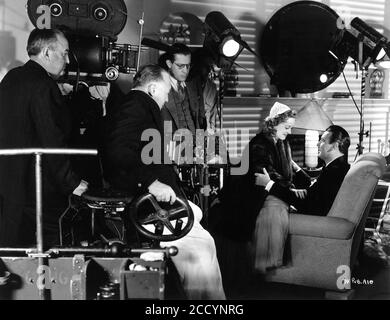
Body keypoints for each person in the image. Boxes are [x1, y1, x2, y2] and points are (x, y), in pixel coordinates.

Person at [100, 64, 225, 300]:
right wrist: (150, 183)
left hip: (164, 206)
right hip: (154, 208)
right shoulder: (136, 106)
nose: (167, 98)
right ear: (153, 87)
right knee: (199, 252)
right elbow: (117, 151)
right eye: (166, 91)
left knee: (204, 245)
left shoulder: (137, 106)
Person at [0, 28, 88, 247]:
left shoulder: (12, 77)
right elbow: (52, 140)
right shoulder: (44, 86)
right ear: (48, 52)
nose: (67, 60)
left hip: (9, 187)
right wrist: (72, 183)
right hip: (38, 192)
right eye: (64, 53)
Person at [246, 102, 311, 273]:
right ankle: (267, 264)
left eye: (291, 128)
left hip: (275, 188)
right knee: (275, 207)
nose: (289, 132)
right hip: (259, 193)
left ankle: (273, 263)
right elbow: (267, 174)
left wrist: (298, 171)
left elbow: (291, 169)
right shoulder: (259, 143)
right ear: (274, 123)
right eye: (287, 127)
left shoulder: (283, 143)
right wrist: (290, 190)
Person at [255, 125, 351, 217]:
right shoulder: (337, 168)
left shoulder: (334, 173)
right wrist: (295, 167)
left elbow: (306, 203)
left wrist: (268, 184)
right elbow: (313, 189)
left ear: (335, 146)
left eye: (323, 141)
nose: (317, 144)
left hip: (314, 221)